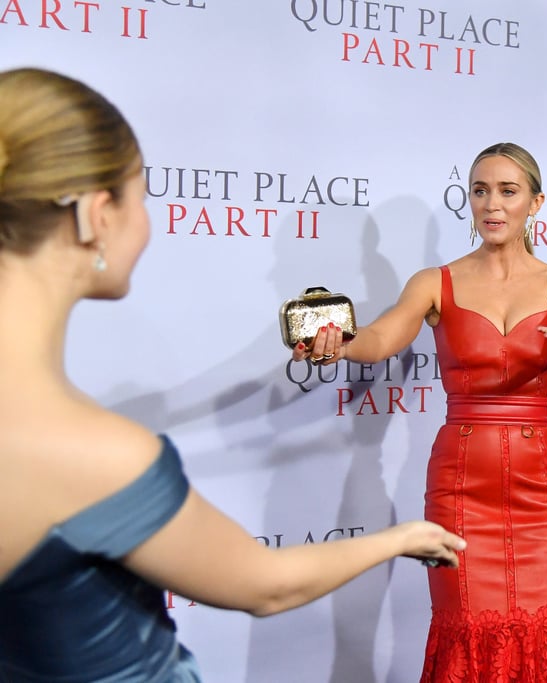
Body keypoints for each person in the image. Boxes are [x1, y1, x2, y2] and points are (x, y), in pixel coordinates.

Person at [0, 67, 466, 683]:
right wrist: (400, 538)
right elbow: (262, 587)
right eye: (141, 198)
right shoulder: (97, 454)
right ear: (96, 215)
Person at [296, 142, 547, 681]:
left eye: (508, 191)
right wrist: (342, 344)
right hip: (461, 485)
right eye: (480, 191)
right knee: (464, 628)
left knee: (539, 626)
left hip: (539, 491)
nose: (492, 204)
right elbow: (380, 337)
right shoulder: (434, 282)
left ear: (536, 203)